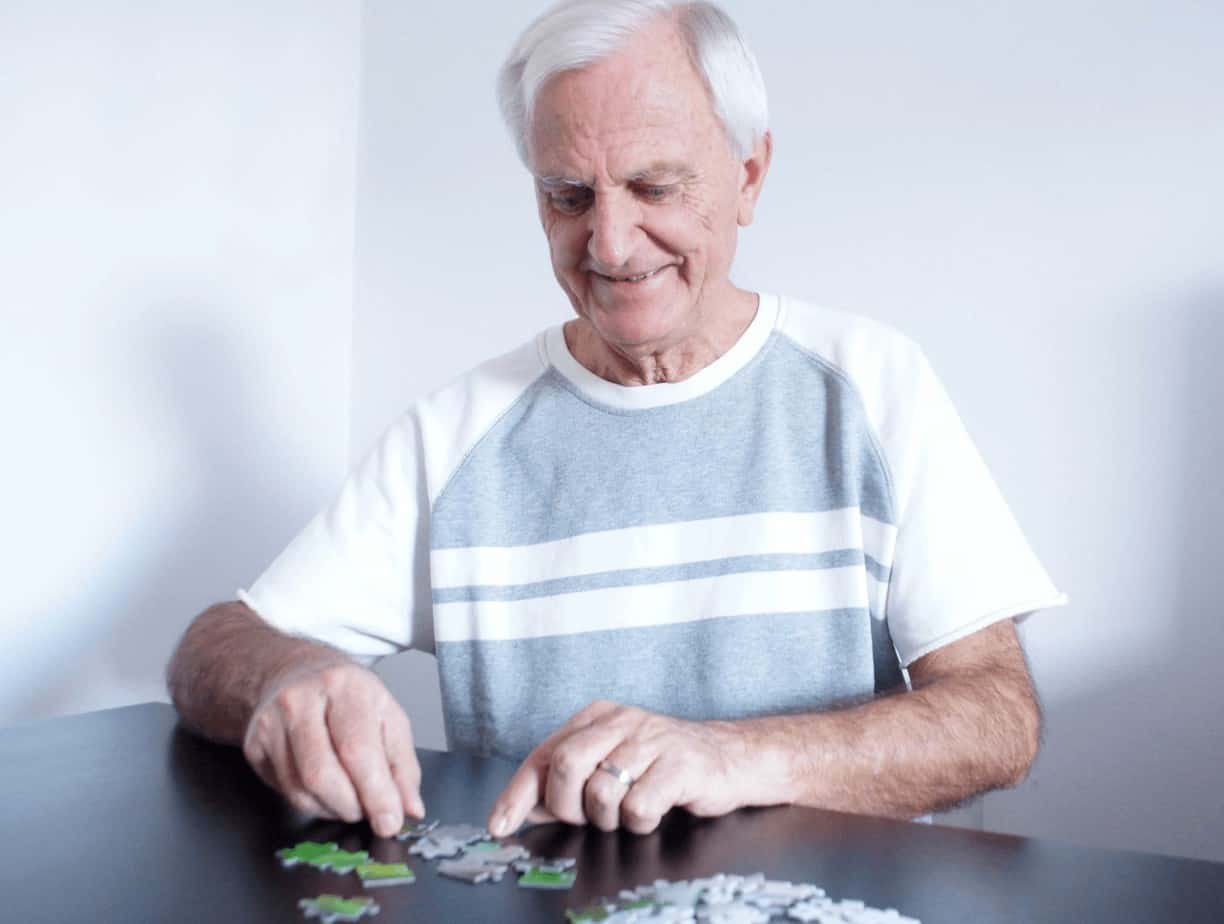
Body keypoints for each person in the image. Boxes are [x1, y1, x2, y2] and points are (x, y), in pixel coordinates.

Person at [167, 0, 1065, 841]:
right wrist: (286, 679)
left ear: (748, 176)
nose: (611, 243)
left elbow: (996, 719)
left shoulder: (873, 384)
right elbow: (217, 644)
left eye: (654, 187)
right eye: (569, 196)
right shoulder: (453, 436)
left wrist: (739, 755)